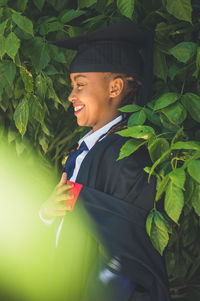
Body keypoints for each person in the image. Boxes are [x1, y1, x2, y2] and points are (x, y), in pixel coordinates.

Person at [41, 19, 171, 301]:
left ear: (114, 88)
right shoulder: (86, 150)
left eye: (80, 85)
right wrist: (48, 213)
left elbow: (124, 259)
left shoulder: (126, 155)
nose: (70, 95)